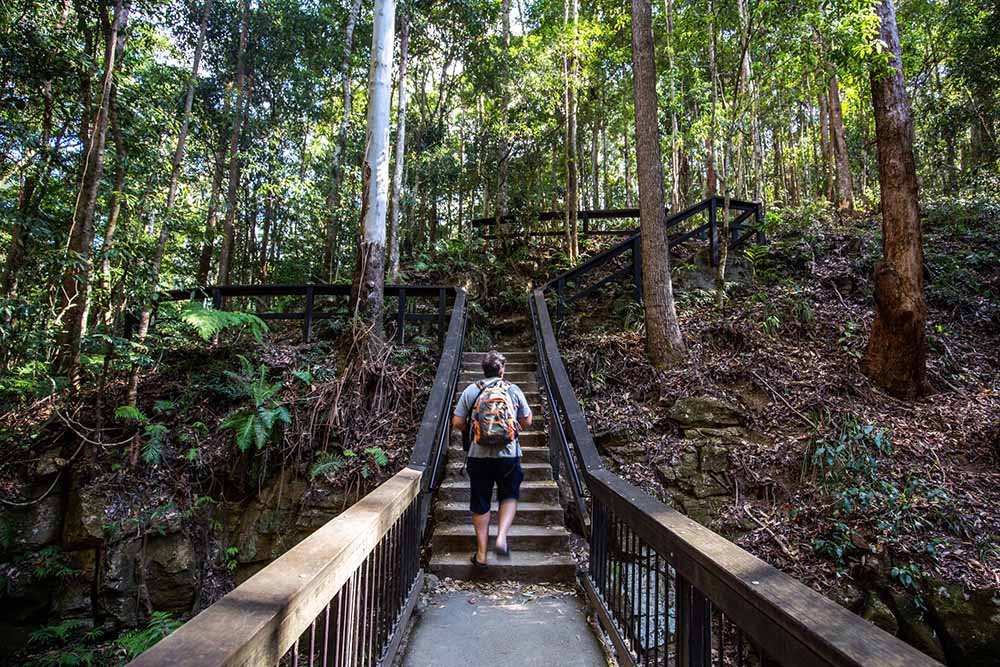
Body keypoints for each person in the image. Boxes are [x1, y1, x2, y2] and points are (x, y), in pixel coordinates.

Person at [451, 350, 533, 567]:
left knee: (480, 501)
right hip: (509, 455)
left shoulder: (472, 390)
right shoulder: (512, 390)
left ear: (483, 370)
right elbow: (528, 421)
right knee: (509, 496)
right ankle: (502, 537)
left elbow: (457, 421)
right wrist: (512, 428)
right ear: (502, 370)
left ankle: (481, 554)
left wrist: (474, 428)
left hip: (478, 456)